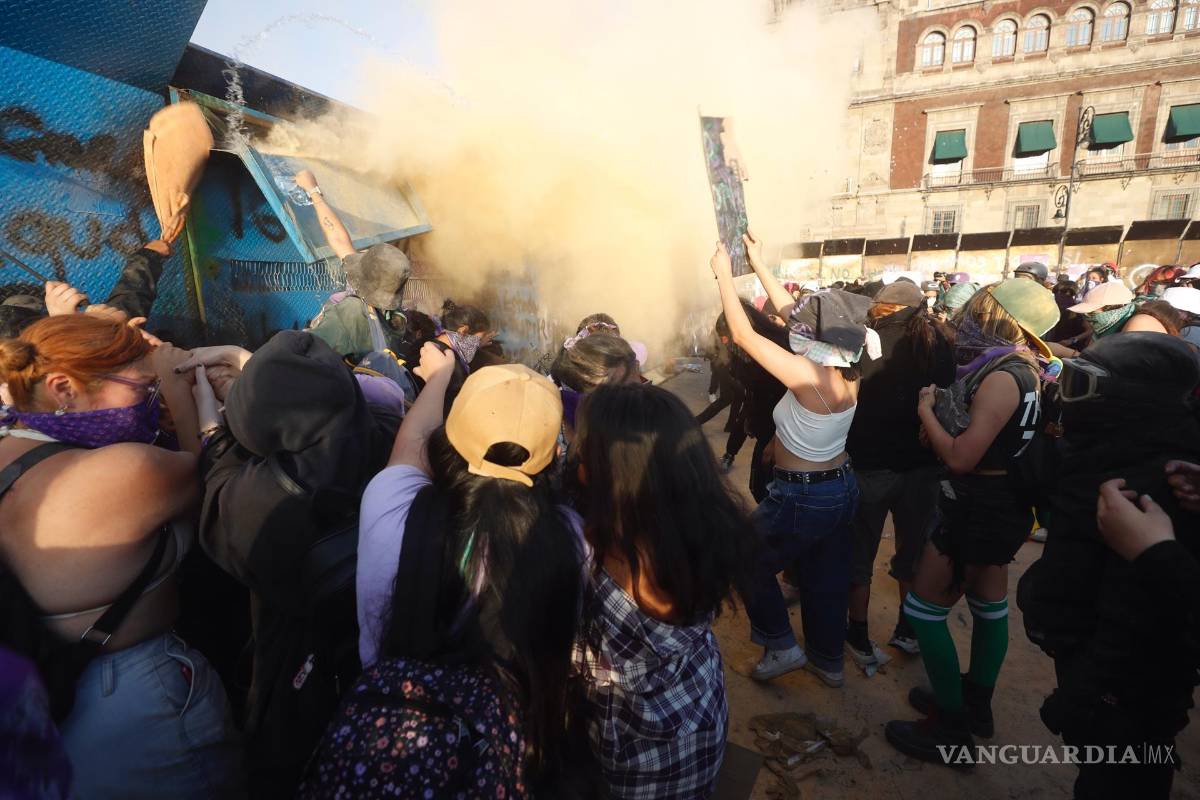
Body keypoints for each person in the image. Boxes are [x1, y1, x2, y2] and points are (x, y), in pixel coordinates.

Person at [302, 353, 586, 798]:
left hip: (393, 740)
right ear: (550, 458)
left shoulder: (392, 502)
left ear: (449, 440)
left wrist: (441, 375)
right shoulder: (570, 537)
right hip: (505, 756)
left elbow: (411, 436)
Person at [0, 314, 241, 798]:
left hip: (43, 707)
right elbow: (211, 481)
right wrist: (179, 386)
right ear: (63, 387)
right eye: (142, 388)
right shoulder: (127, 472)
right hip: (136, 704)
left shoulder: (10, 445)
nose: (149, 401)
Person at [183, 331, 402, 797]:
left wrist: (210, 427)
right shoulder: (384, 434)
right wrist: (252, 366)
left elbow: (223, 498)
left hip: (304, 667)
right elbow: (321, 395)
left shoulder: (270, 498)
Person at [1018, 333, 1200, 799]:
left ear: (1129, 401)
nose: (1070, 397)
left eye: (1084, 385)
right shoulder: (1118, 456)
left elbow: (1139, 618)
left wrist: (1087, 695)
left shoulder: (1145, 491)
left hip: (1120, 691)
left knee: (1117, 780)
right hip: (1097, 666)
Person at [885, 279, 1059, 762]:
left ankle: (951, 726)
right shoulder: (1026, 366)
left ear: (996, 316)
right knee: (988, 606)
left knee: (922, 611)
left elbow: (962, 458)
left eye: (979, 310)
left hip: (978, 506)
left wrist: (927, 411)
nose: (967, 320)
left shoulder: (1004, 375)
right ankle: (975, 703)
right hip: (1003, 506)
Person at [570, 382, 754, 799]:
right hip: (695, 709)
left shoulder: (616, 560)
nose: (576, 455)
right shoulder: (688, 524)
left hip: (647, 762)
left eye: (585, 448)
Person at [713, 236, 867, 687]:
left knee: (746, 558)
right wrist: (758, 261)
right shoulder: (847, 367)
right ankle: (828, 660)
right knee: (825, 576)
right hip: (841, 487)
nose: (793, 324)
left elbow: (744, 333)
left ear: (816, 339)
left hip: (804, 494)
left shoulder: (806, 375)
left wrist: (723, 274)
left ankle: (781, 645)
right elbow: (789, 314)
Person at [845, 279, 955, 663]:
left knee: (860, 554)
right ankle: (908, 631)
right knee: (913, 553)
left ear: (886, 307)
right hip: (923, 470)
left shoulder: (867, 341)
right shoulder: (940, 342)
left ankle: (857, 633)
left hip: (872, 466)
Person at [695, 321, 749, 472]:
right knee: (727, 398)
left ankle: (730, 425)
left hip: (729, 366)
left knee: (738, 396)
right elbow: (723, 347)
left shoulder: (733, 324)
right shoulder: (725, 324)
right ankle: (696, 421)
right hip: (724, 366)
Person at [1068, 281, 1138, 341]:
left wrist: (1067, 352)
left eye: (1092, 313)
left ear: (1114, 309)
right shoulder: (1105, 327)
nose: (1087, 316)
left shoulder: (1135, 326)